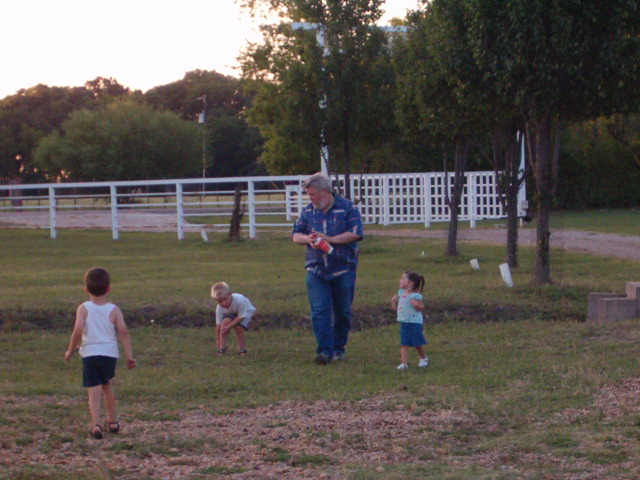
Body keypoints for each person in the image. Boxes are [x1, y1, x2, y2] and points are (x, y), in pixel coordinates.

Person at [292, 172, 364, 365]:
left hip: (343, 269)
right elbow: (295, 235)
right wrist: (308, 239)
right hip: (316, 270)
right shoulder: (308, 211)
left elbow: (356, 233)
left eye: (312, 194)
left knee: (342, 312)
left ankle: (338, 348)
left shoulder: (348, 208)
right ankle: (324, 351)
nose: (310, 198)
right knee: (319, 310)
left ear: (325, 192)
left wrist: (330, 239)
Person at [64, 267, 136, 439]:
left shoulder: (83, 308)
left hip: (90, 354)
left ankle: (96, 424)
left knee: (93, 390)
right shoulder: (114, 309)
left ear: (86, 289)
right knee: (107, 386)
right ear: (108, 288)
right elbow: (123, 332)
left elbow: (78, 330)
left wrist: (70, 350)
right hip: (109, 354)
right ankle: (112, 421)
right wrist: (129, 356)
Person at [390, 270, 429, 371]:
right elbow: (395, 310)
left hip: (414, 323)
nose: (400, 280)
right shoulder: (401, 293)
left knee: (417, 343)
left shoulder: (415, 296)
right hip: (404, 322)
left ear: (410, 283)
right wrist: (393, 302)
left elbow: (421, 308)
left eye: (403, 278)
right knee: (404, 344)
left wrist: (416, 305)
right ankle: (404, 363)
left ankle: (423, 358)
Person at [211, 282, 256, 355]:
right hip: (232, 312)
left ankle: (242, 349)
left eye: (225, 299)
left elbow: (241, 317)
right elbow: (218, 325)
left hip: (246, 311)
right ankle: (221, 348)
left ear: (230, 294)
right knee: (224, 323)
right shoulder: (219, 308)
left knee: (239, 327)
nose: (224, 303)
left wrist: (229, 327)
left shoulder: (239, 301)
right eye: (220, 301)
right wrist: (218, 339)